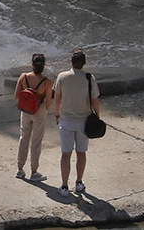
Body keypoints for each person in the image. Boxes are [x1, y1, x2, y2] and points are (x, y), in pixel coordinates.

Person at [52, 48, 101, 197]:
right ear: (84, 63)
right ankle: (79, 182)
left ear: (71, 61)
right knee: (81, 153)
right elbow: (95, 101)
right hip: (84, 122)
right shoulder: (89, 78)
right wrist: (97, 117)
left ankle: (64, 186)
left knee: (65, 154)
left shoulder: (62, 76)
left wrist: (57, 114)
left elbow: (57, 99)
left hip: (66, 120)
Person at [14, 53, 53, 182]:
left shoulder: (23, 77)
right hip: (39, 111)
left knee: (23, 138)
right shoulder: (47, 82)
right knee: (36, 142)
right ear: (44, 66)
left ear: (32, 64)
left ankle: (20, 168)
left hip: (25, 110)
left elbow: (17, 96)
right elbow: (48, 103)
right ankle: (34, 171)